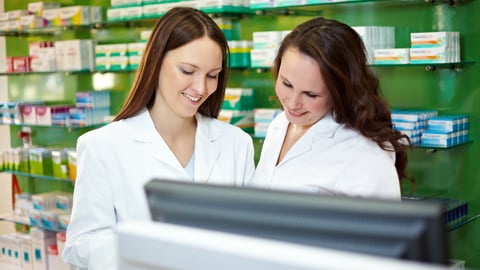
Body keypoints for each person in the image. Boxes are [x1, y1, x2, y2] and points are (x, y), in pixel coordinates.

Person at [62, 7, 255, 270]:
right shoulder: (102, 146)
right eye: (187, 71)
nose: (201, 88)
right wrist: (147, 253)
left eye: (212, 76)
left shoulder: (236, 144)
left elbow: (251, 237)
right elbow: (82, 243)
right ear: (156, 61)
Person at [249, 16, 412, 200]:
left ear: (340, 91)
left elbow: (384, 226)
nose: (293, 104)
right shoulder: (279, 125)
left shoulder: (363, 153)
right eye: (287, 83)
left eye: (311, 94)